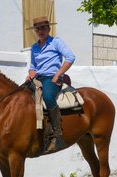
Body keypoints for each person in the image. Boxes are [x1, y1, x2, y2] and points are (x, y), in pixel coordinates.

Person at [26, 16, 75, 153]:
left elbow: (70, 57)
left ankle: (57, 134)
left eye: (43, 28)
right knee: (22, 95)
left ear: (49, 28)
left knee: (47, 97)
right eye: (37, 28)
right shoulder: (34, 47)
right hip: (38, 78)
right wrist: (30, 73)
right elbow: (33, 66)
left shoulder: (56, 42)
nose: (40, 31)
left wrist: (58, 74)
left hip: (52, 78)